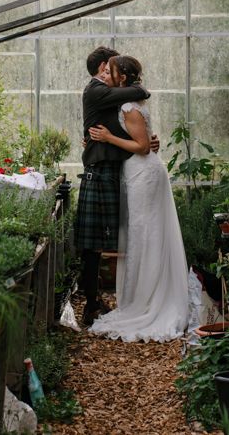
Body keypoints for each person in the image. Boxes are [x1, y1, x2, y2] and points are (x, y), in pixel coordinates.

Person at [87, 55, 189, 342]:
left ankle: (148, 300)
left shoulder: (130, 105)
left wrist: (108, 138)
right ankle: (144, 296)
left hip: (143, 171)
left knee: (145, 232)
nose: (107, 75)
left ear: (121, 78)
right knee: (143, 232)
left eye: (112, 71)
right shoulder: (124, 102)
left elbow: (143, 147)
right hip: (138, 172)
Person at [76, 46, 151, 326]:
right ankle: (91, 303)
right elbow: (135, 93)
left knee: (109, 240)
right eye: (111, 68)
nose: (114, 73)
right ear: (103, 66)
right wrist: (141, 88)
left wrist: (145, 142)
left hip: (114, 170)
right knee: (93, 244)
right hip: (100, 171)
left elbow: (126, 125)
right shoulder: (94, 90)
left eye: (117, 71)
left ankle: (108, 299)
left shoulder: (110, 97)